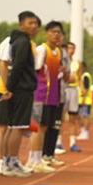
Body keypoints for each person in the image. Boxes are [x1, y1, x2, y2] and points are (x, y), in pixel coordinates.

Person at [2, 11, 40, 177]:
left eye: (36, 24)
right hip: (21, 89)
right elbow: (17, 66)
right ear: (21, 24)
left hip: (17, 88)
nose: (34, 26)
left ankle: (7, 161)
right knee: (17, 127)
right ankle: (13, 162)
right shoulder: (23, 42)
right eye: (30, 23)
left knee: (12, 127)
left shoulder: (16, 41)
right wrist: (9, 87)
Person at [28, 21, 64, 172]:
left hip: (52, 96)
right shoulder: (42, 50)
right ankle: (33, 160)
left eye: (59, 32)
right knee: (37, 128)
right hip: (40, 94)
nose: (56, 35)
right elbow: (34, 70)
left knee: (44, 128)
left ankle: (38, 159)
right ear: (47, 33)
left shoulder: (58, 52)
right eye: (53, 31)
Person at [0, 30, 13, 175]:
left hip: (18, 91)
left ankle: (7, 160)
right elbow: (2, 63)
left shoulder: (29, 44)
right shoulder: (9, 42)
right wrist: (6, 88)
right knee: (3, 127)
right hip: (5, 90)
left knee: (12, 128)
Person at [77, 61, 93, 141]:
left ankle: (85, 132)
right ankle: (82, 130)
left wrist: (83, 99)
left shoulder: (85, 76)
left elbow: (86, 88)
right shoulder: (81, 76)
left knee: (85, 116)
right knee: (80, 116)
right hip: (81, 100)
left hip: (85, 101)